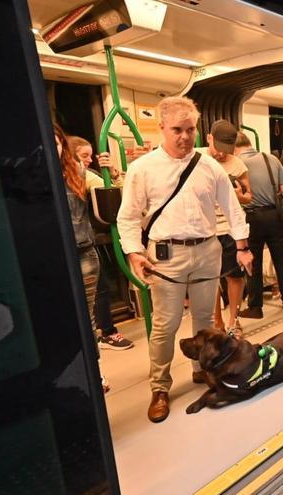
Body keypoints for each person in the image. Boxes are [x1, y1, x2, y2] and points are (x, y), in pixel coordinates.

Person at [115, 97, 253, 423]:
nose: (185, 137)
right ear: (162, 127)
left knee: (205, 321)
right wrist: (134, 252)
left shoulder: (210, 167)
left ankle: (201, 369)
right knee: (166, 325)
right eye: (177, 129)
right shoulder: (142, 169)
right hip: (166, 256)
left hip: (208, 250)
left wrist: (243, 247)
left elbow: (232, 209)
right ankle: (160, 386)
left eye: (190, 129)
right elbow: (128, 217)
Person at [54, 125, 113, 391]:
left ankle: (93, 371)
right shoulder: (28, 176)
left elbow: (108, 194)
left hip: (82, 252)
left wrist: (111, 173)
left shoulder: (76, 172)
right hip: (51, 259)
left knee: (86, 317)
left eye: (57, 142)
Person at [71, 135, 135, 351]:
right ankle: (106, 332)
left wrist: (113, 173)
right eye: (84, 156)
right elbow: (119, 196)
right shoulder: (81, 175)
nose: (88, 160)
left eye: (90, 155)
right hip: (85, 241)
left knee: (99, 288)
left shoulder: (87, 174)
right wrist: (113, 176)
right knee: (98, 290)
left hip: (88, 239)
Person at [197, 120, 252, 337]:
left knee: (234, 277)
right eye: (218, 149)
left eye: (226, 151)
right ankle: (217, 322)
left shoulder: (238, 164)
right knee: (209, 281)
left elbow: (249, 196)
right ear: (209, 138)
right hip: (205, 230)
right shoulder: (196, 158)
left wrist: (235, 195)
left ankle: (233, 321)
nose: (221, 155)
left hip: (229, 229)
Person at [235, 132, 283, 318]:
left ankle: (255, 307)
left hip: (251, 217)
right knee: (281, 258)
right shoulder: (270, 159)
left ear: (234, 148)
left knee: (253, 261)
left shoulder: (236, 164)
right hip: (274, 215)